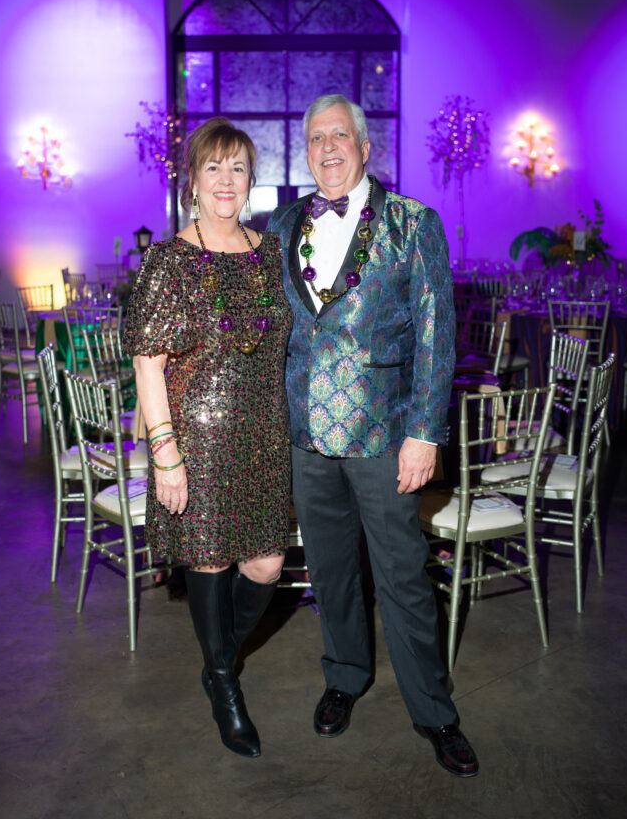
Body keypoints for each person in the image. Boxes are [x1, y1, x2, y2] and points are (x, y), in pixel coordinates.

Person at [267, 94, 479, 778]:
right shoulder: (279, 226)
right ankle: (345, 675)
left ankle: (435, 712)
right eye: (315, 139)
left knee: (402, 578)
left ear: (365, 147)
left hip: (387, 436)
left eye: (339, 136)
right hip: (307, 438)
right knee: (330, 573)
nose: (327, 148)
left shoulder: (413, 224)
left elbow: (435, 337)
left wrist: (425, 433)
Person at [123, 117, 291, 759]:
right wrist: (166, 455)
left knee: (267, 563)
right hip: (199, 438)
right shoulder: (169, 260)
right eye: (214, 168)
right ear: (192, 181)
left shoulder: (271, 251)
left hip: (266, 433)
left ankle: (218, 657)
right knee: (213, 561)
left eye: (239, 168)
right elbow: (148, 363)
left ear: (252, 180)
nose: (227, 180)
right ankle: (224, 683)